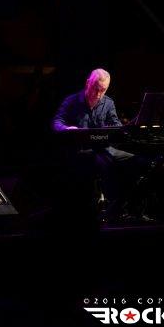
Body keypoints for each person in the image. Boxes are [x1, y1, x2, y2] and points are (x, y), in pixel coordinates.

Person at [52, 68, 150, 224]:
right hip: (81, 150)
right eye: (95, 89)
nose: (98, 94)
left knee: (138, 162)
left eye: (103, 90)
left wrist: (120, 129)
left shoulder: (108, 103)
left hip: (104, 148)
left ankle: (126, 207)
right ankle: (107, 211)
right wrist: (67, 129)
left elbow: (116, 126)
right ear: (88, 84)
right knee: (104, 163)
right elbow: (57, 122)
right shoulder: (71, 101)